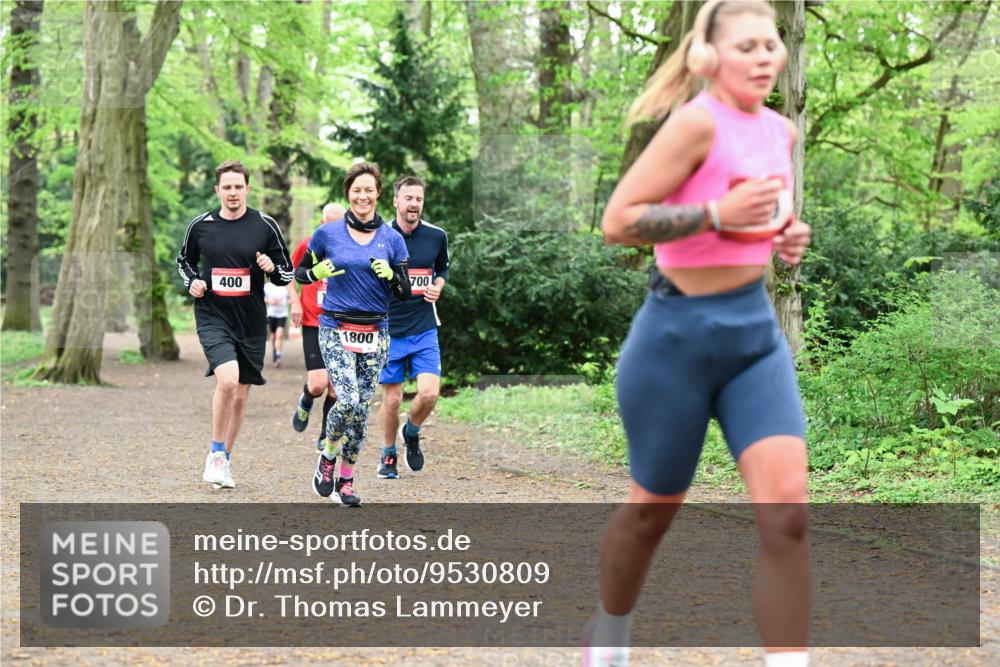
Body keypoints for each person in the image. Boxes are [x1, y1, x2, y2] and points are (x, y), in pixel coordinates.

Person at [591, 1, 813, 666]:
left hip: (754, 340)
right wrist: (715, 212)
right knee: (649, 514)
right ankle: (609, 636)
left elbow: (764, 227)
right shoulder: (696, 123)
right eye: (747, 46)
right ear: (711, 57)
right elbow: (619, 219)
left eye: (771, 44)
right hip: (674, 341)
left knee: (788, 515)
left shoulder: (783, 133)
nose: (766, 57)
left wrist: (786, 237)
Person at [295, 162, 410, 507]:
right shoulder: (329, 234)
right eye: (356, 190)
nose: (363, 196)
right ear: (348, 194)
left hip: (376, 329)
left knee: (360, 410)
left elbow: (403, 291)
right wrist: (315, 270)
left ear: (378, 194)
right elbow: (300, 273)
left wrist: (391, 274)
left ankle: (346, 479)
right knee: (345, 399)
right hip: (335, 326)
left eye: (369, 189)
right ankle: (328, 456)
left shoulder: (392, 238)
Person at [176, 160, 294, 490]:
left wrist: (271, 267)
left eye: (238, 186)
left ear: (247, 189)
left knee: (241, 397)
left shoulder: (265, 226)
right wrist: (192, 283)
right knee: (227, 381)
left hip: (252, 320)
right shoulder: (200, 226)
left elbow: (286, 274)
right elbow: (184, 261)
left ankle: (224, 460)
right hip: (213, 315)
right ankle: (215, 454)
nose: (232, 192)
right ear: (217, 190)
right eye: (226, 187)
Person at [376, 176, 450, 479]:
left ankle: (412, 430)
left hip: (423, 328)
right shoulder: (379, 236)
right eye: (408, 198)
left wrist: (438, 285)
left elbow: (442, 267)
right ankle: (388, 453)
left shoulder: (436, 235)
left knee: (430, 394)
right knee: (391, 400)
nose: (414, 204)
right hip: (389, 330)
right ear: (395, 201)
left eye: (418, 199)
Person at [290, 202, 347, 450]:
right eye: (330, 224)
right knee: (318, 384)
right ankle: (306, 398)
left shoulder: (351, 246)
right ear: (322, 223)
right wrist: (296, 303)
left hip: (342, 324)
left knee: (335, 388)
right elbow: (288, 275)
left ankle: (325, 435)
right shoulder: (309, 244)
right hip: (314, 322)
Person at [264, 281, 289, 367]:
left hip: (282, 314)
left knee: (279, 334)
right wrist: (269, 301)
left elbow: (292, 299)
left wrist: (284, 302)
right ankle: (275, 352)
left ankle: (278, 356)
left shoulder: (286, 285)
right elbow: (262, 298)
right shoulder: (267, 286)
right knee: (273, 336)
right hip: (271, 314)